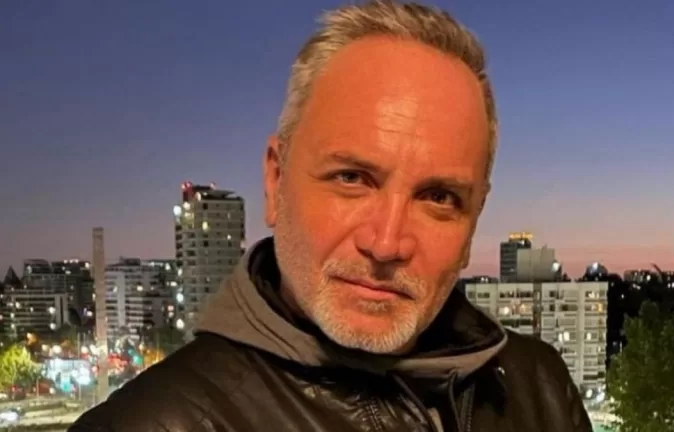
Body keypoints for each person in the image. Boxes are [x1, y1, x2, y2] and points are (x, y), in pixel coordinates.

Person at [70, 1, 592, 431]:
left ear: (474, 218)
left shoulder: (538, 387)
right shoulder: (156, 423)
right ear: (275, 180)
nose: (386, 242)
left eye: (438, 197)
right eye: (352, 178)